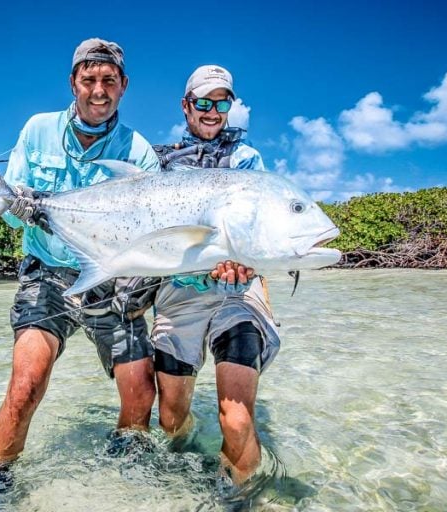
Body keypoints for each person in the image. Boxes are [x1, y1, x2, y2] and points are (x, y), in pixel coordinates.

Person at [0, 38, 161, 496]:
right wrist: (22, 204)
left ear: (124, 86)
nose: (98, 91)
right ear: (73, 82)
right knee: (26, 384)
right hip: (48, 273)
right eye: (89, 79)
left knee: (140, 394)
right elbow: (19, 188)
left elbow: (148, 228)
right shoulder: (37, 129)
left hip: (114, 281)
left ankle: (125, 476)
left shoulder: (139, 152)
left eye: (109, 81)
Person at [151, 65, 281, 487]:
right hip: (179, 294)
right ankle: (184, 472)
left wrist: (248, 266)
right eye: (203, 102)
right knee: (170, 418)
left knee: (238, 420)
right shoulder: (161, 165)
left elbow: (261, 234)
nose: (212, 111)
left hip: (237, 296)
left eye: (221, 102)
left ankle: (241, 494)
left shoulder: (248, 160)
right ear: (186, 106)